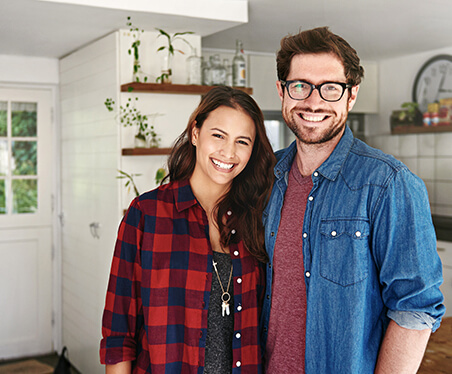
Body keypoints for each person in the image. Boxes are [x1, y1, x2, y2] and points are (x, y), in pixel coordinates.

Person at [261, 27, 445, 373]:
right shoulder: (266, 178)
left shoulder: (389, 184)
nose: (314, 102)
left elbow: (415, 307)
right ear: (282, 93)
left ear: (351, 95)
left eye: (330, 88)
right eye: (300, 86)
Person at [100, 86, 275, 373]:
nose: (228, 152)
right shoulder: (146, 214)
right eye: (218, 135)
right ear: (195, 133)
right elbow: (119, 331)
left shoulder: (257, 219)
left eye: (242, 142)